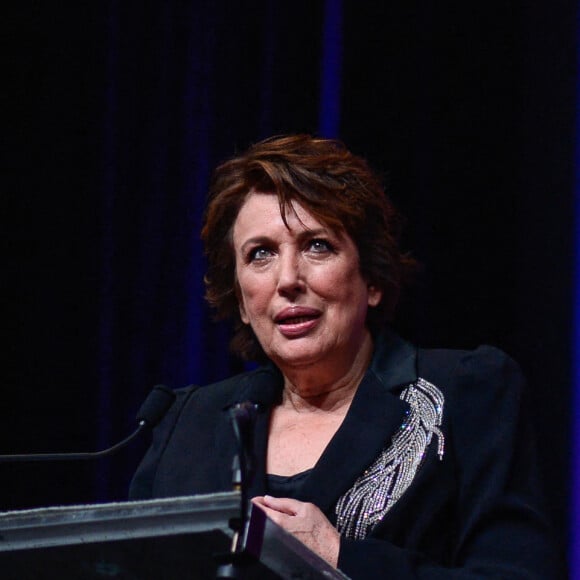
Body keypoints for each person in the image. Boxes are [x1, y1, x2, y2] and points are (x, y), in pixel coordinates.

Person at [130, 135, 561, 578]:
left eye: (317, 245)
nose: (288, 280)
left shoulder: (464, 393)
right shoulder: (187, 424)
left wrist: (341, 557)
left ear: (372, 278)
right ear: (241, 298)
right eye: (261, 254)